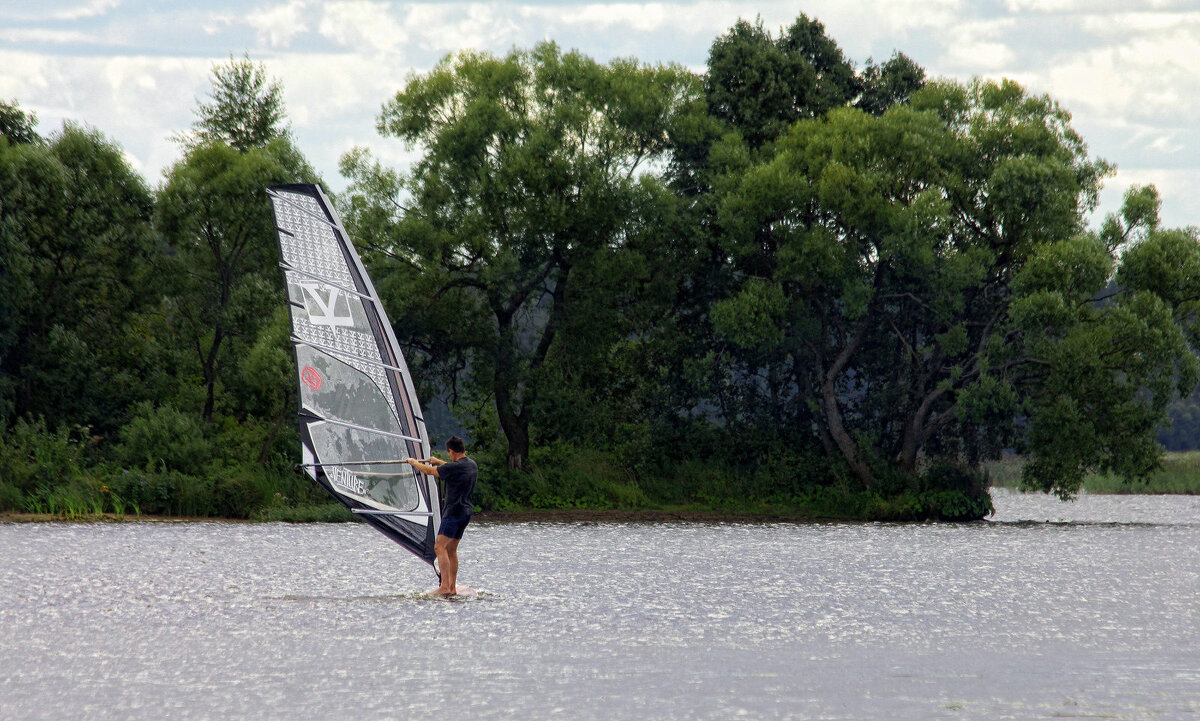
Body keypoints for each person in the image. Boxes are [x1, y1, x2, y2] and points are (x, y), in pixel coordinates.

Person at [405, 436, 477, 595]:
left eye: (449, 453)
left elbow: (429, 471)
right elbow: (452, 467)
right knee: (451, 549)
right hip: (465, 513)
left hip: (453, 513)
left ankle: (445, 587)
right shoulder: (471, 465)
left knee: (439, 546)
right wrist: (439, 461)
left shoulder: (454, 468)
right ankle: (452, 588)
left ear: (451, 451)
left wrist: (413, 462)